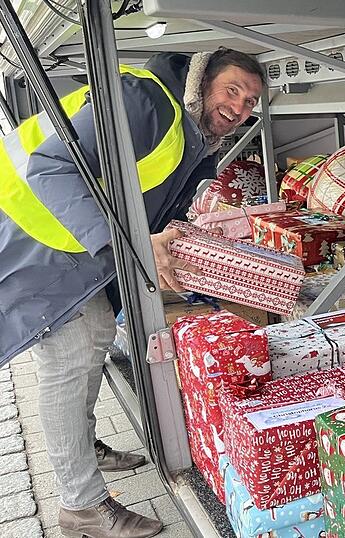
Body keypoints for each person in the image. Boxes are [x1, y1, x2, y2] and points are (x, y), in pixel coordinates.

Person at [0, 47, 265, 538]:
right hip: (35, 244)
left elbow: (149, 201)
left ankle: (82, 448)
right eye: (232, 90)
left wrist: (176, 238)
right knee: (72, 359)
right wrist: (133, 246)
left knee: (93, 345)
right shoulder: (144, 102)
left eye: (250, 101)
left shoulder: (193, 136)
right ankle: (82, 506)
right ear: (202, 81)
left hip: (75, 251)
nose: (239, 107)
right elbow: (49, 169)